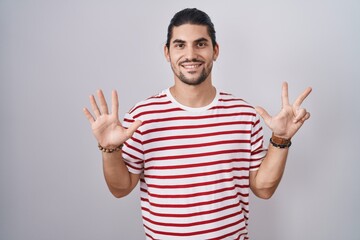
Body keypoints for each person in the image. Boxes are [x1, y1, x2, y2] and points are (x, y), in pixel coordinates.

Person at [83, 8, 312, 240]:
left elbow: (263, 188)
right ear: (167, 52)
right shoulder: (142, 116)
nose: (190, 54)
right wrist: (110, 150)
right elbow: (120, 189)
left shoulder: (244, 115)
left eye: (200, 44)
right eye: (180, 45)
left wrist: (281, 139)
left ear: (215, 50)